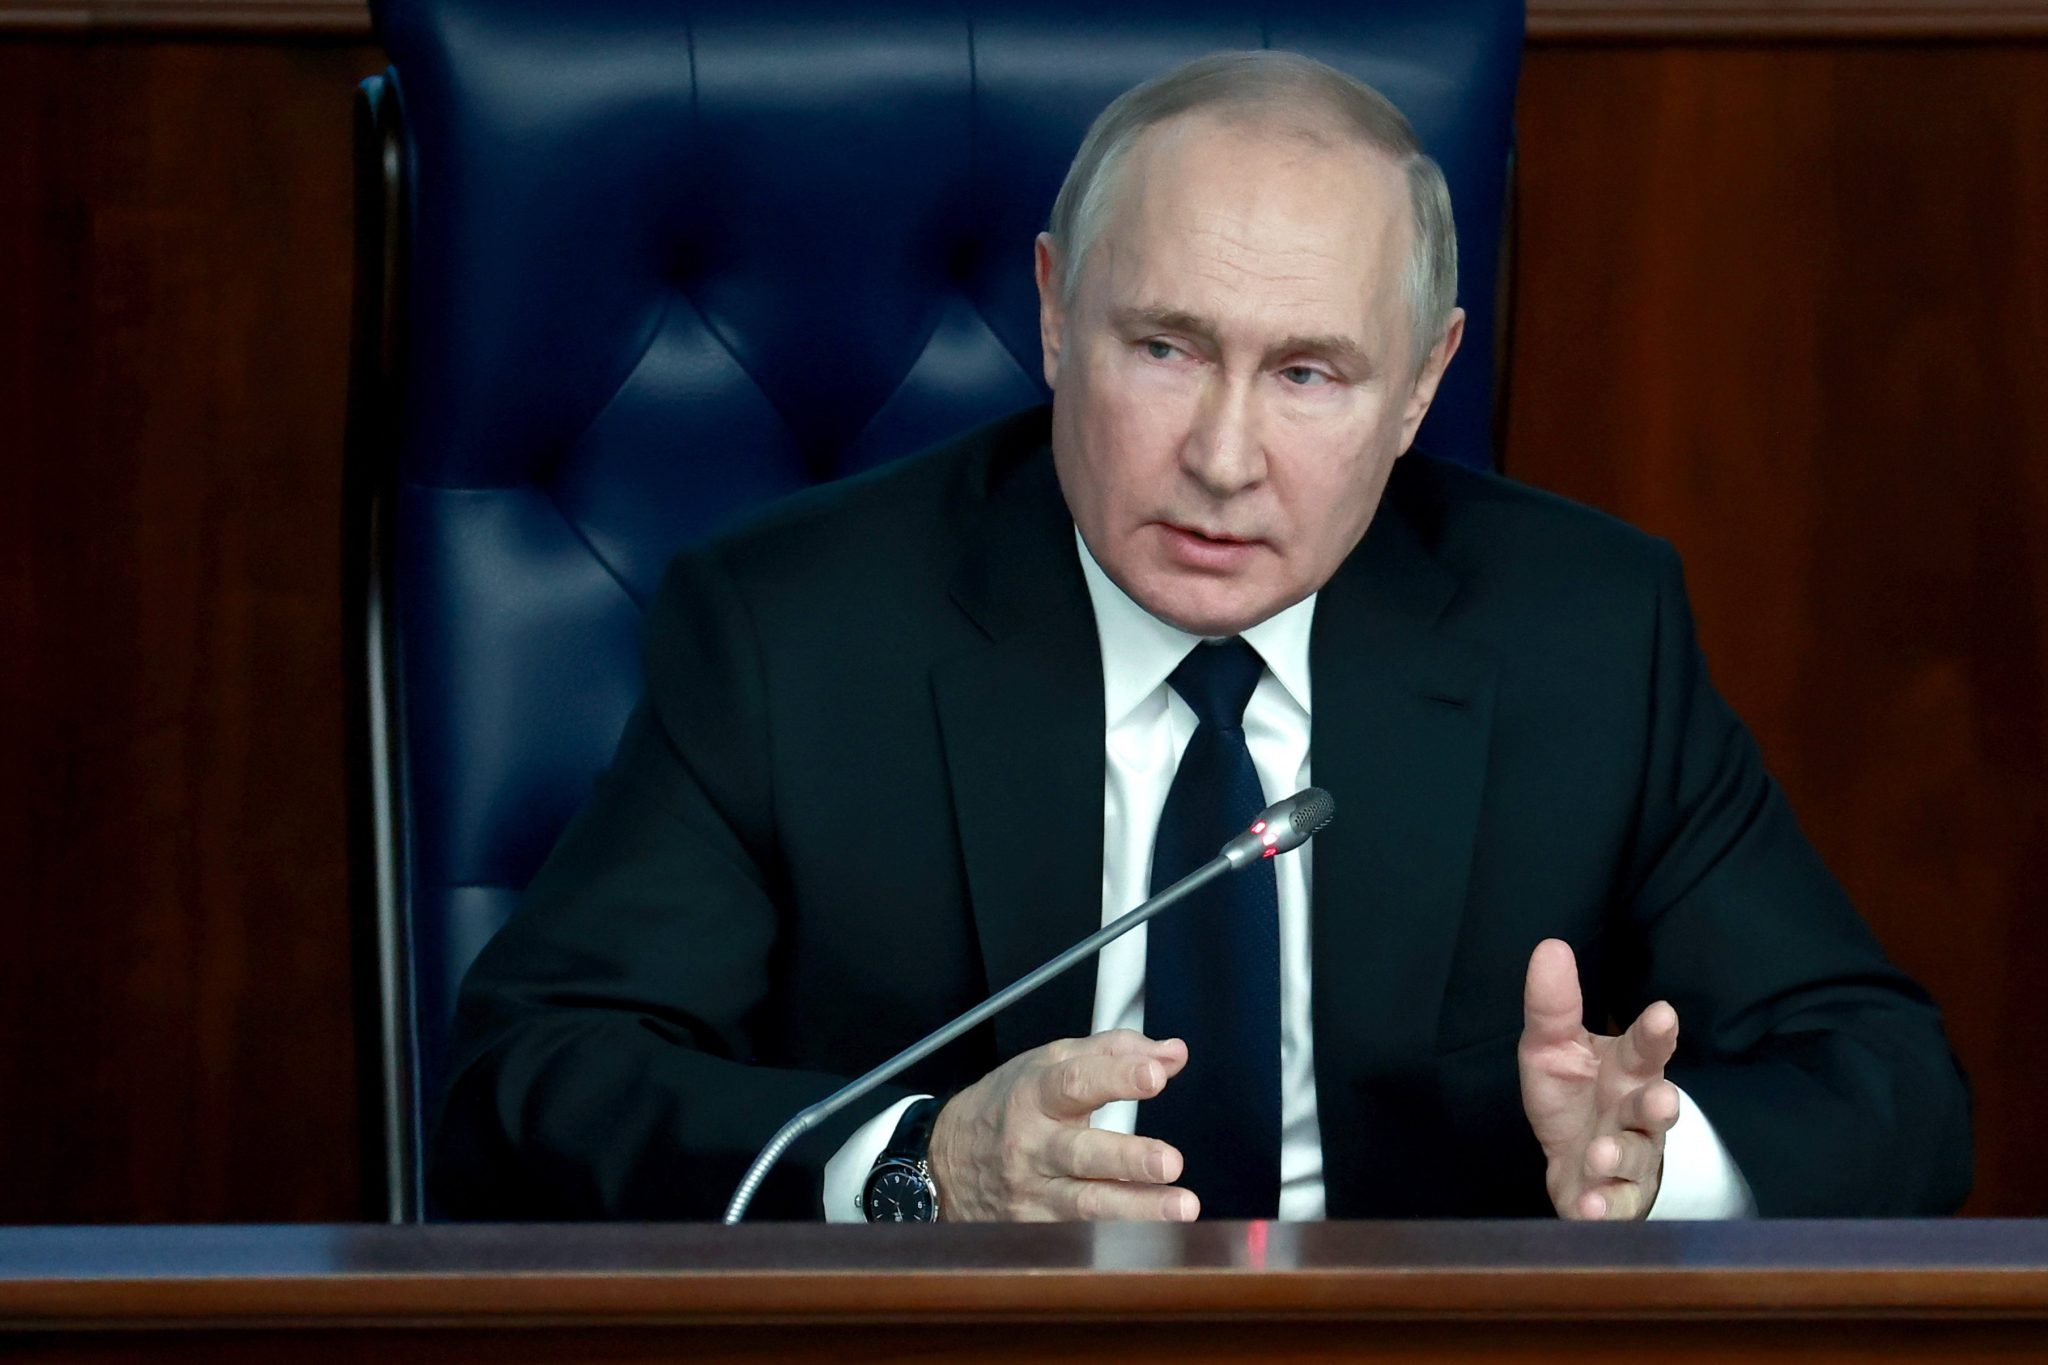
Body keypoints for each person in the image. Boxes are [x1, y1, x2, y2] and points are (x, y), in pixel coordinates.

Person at [429, 51, 1970, 1223]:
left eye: (1309, 375)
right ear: (1054, 312)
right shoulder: (793, 628)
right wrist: (919, 1163)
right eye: (1165, 348)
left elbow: (1891, 1082)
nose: (1225, 459)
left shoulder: (1585, 633)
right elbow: (528, 1082)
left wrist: (1657, 1163)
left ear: (1423, 385)